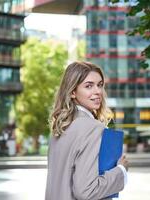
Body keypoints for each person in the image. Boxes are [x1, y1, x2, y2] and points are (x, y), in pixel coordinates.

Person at [46, 61, 129, 200]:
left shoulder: (60, 128)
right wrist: (121, 170)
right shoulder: (92, 128)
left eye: (100, 85)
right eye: (88, 86)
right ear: (72, 91)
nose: (97, 91)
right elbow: (86, 191)